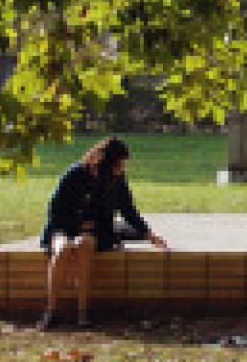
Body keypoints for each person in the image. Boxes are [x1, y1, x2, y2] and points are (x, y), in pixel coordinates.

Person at [38, 136, 166, 330]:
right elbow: (54, 210)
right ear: (105, 162)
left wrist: (148, 234)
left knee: (84, 245)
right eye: (119, 164)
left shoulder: (117, 180)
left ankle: (83, 312)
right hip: (63, 228)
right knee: (63, 250)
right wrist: (76, 226)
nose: (121, 169)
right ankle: (51, 311)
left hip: (97, 232)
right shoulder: (75, 173)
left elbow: (128, 209)